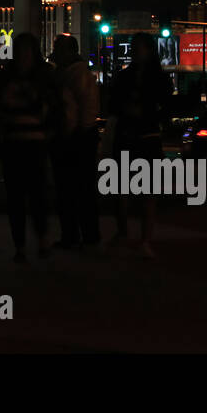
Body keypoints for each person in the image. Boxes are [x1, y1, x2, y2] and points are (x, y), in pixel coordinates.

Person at [0, 31, 58, 262]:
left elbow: (56, 109)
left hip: (34, 143)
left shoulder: (22, 80)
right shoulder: (13, 80)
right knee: (17, 197)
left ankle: (39, 239)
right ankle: (22, 245)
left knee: (36, 195)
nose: (25, 57)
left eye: (28, 52)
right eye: (21, 52)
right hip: (15, 144)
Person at [107, 31, 171, 258]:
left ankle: (142, 238)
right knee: (124, 190)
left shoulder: (153, 79)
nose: (134, 51)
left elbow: (166, 106)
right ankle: (128, 234)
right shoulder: (131, 77)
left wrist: (143, 113)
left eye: (137, 47)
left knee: (145, 192)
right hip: (136, 136)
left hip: (144, 136)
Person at [49, 34, 101, 250]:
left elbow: (85, 110)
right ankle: (85, 234)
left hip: (74, 138)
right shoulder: (78, 73)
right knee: (81, 190)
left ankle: (75, 234)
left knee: (70, 190)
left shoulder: (72, 75)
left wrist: (76, 132)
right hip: (79, 137)